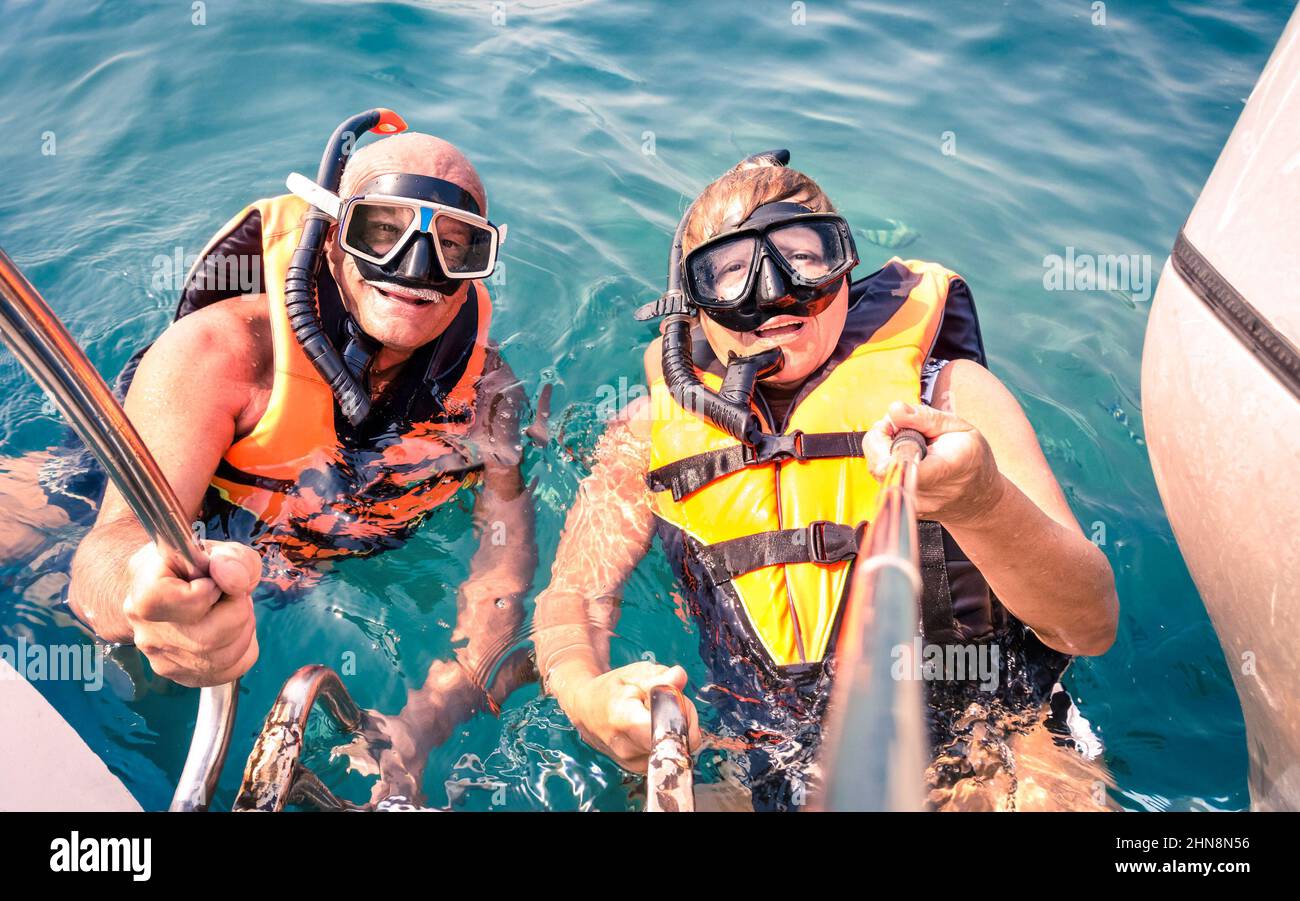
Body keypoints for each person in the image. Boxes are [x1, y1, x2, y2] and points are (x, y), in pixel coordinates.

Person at [532, 152, 1119, 811]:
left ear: (845, 266)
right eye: (730, 274)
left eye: (802, 257)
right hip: (764, 767)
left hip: (997, 748)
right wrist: (587, 696)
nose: (775, 291)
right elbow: (574, 598)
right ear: (692, 308)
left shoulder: (952, 400)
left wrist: (982, 504)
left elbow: (1088, 625)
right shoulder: (644, 436)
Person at [15, 110, 536, 805]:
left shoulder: (489, 396)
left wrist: (427, 716)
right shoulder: (223, 353)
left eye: (456, 247)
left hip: (287, 561)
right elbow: (111, 547)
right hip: (109, 485)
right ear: (330, 232)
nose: (418, 271)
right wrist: (144, 589)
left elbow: (502, 567)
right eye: (383, 230)